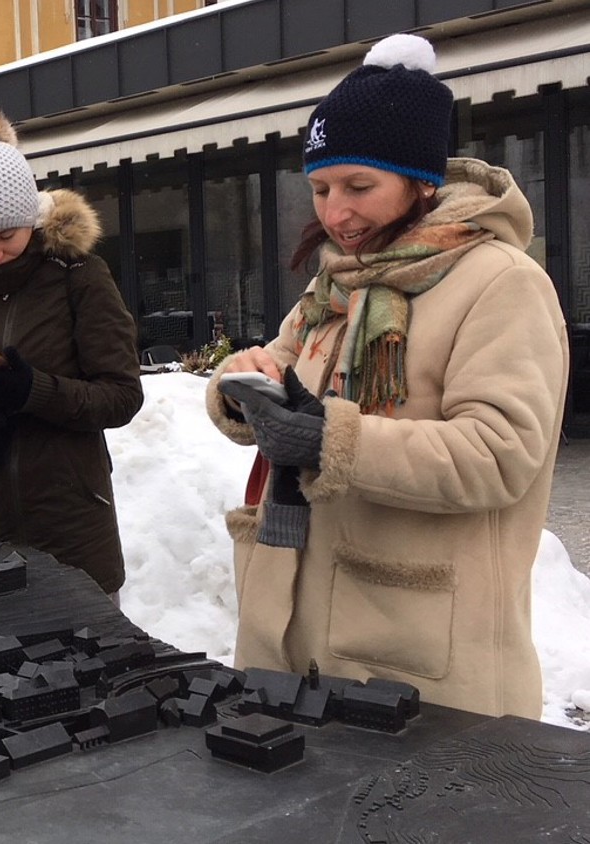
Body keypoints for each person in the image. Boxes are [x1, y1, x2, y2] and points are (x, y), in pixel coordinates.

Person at [209, 34, 567, 719]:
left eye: (358, 186)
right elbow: (280, 365)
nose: (334, 211)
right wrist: (239, 382)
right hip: (302, 645)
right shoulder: (338, 280)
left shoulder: (502, 285)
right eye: (319, 188)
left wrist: (328, 441)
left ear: (420, 180)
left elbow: (498, 456)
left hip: (421, 665)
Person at [0, 107, 143, 601]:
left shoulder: (79, 275)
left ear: (30, 223)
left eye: (6, 236)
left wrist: (32, 388)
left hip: (71, 516)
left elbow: (121, 396)